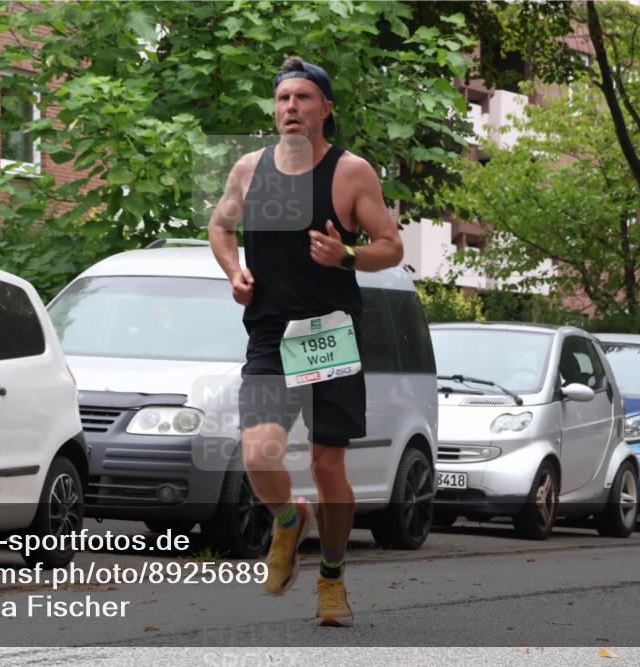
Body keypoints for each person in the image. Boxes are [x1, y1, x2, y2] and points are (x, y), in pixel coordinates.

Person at [208, 56, 404, 627]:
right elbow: (221, 227)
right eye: (283, 99)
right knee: (258, 453)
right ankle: (289, 520)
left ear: (326, 108)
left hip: (329, 335)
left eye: (303, 98)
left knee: (326, 467)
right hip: (270, 333)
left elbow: (390, 246)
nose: (291, 107)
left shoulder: (351, 173)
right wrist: (233, 271)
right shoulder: (248, 169)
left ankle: (333, 579)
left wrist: (348, 254)